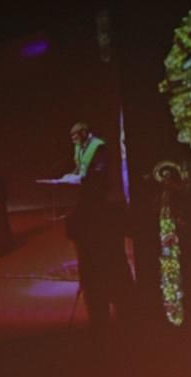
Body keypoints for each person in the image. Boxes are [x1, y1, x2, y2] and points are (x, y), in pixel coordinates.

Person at [65, 121, 134, 329]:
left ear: (84, 133)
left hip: (100, 280)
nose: (74, 140)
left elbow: (99, 172)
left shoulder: (99, 147)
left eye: (76, 136)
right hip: (106, 278)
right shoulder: (112, 214)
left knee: (111, 314)